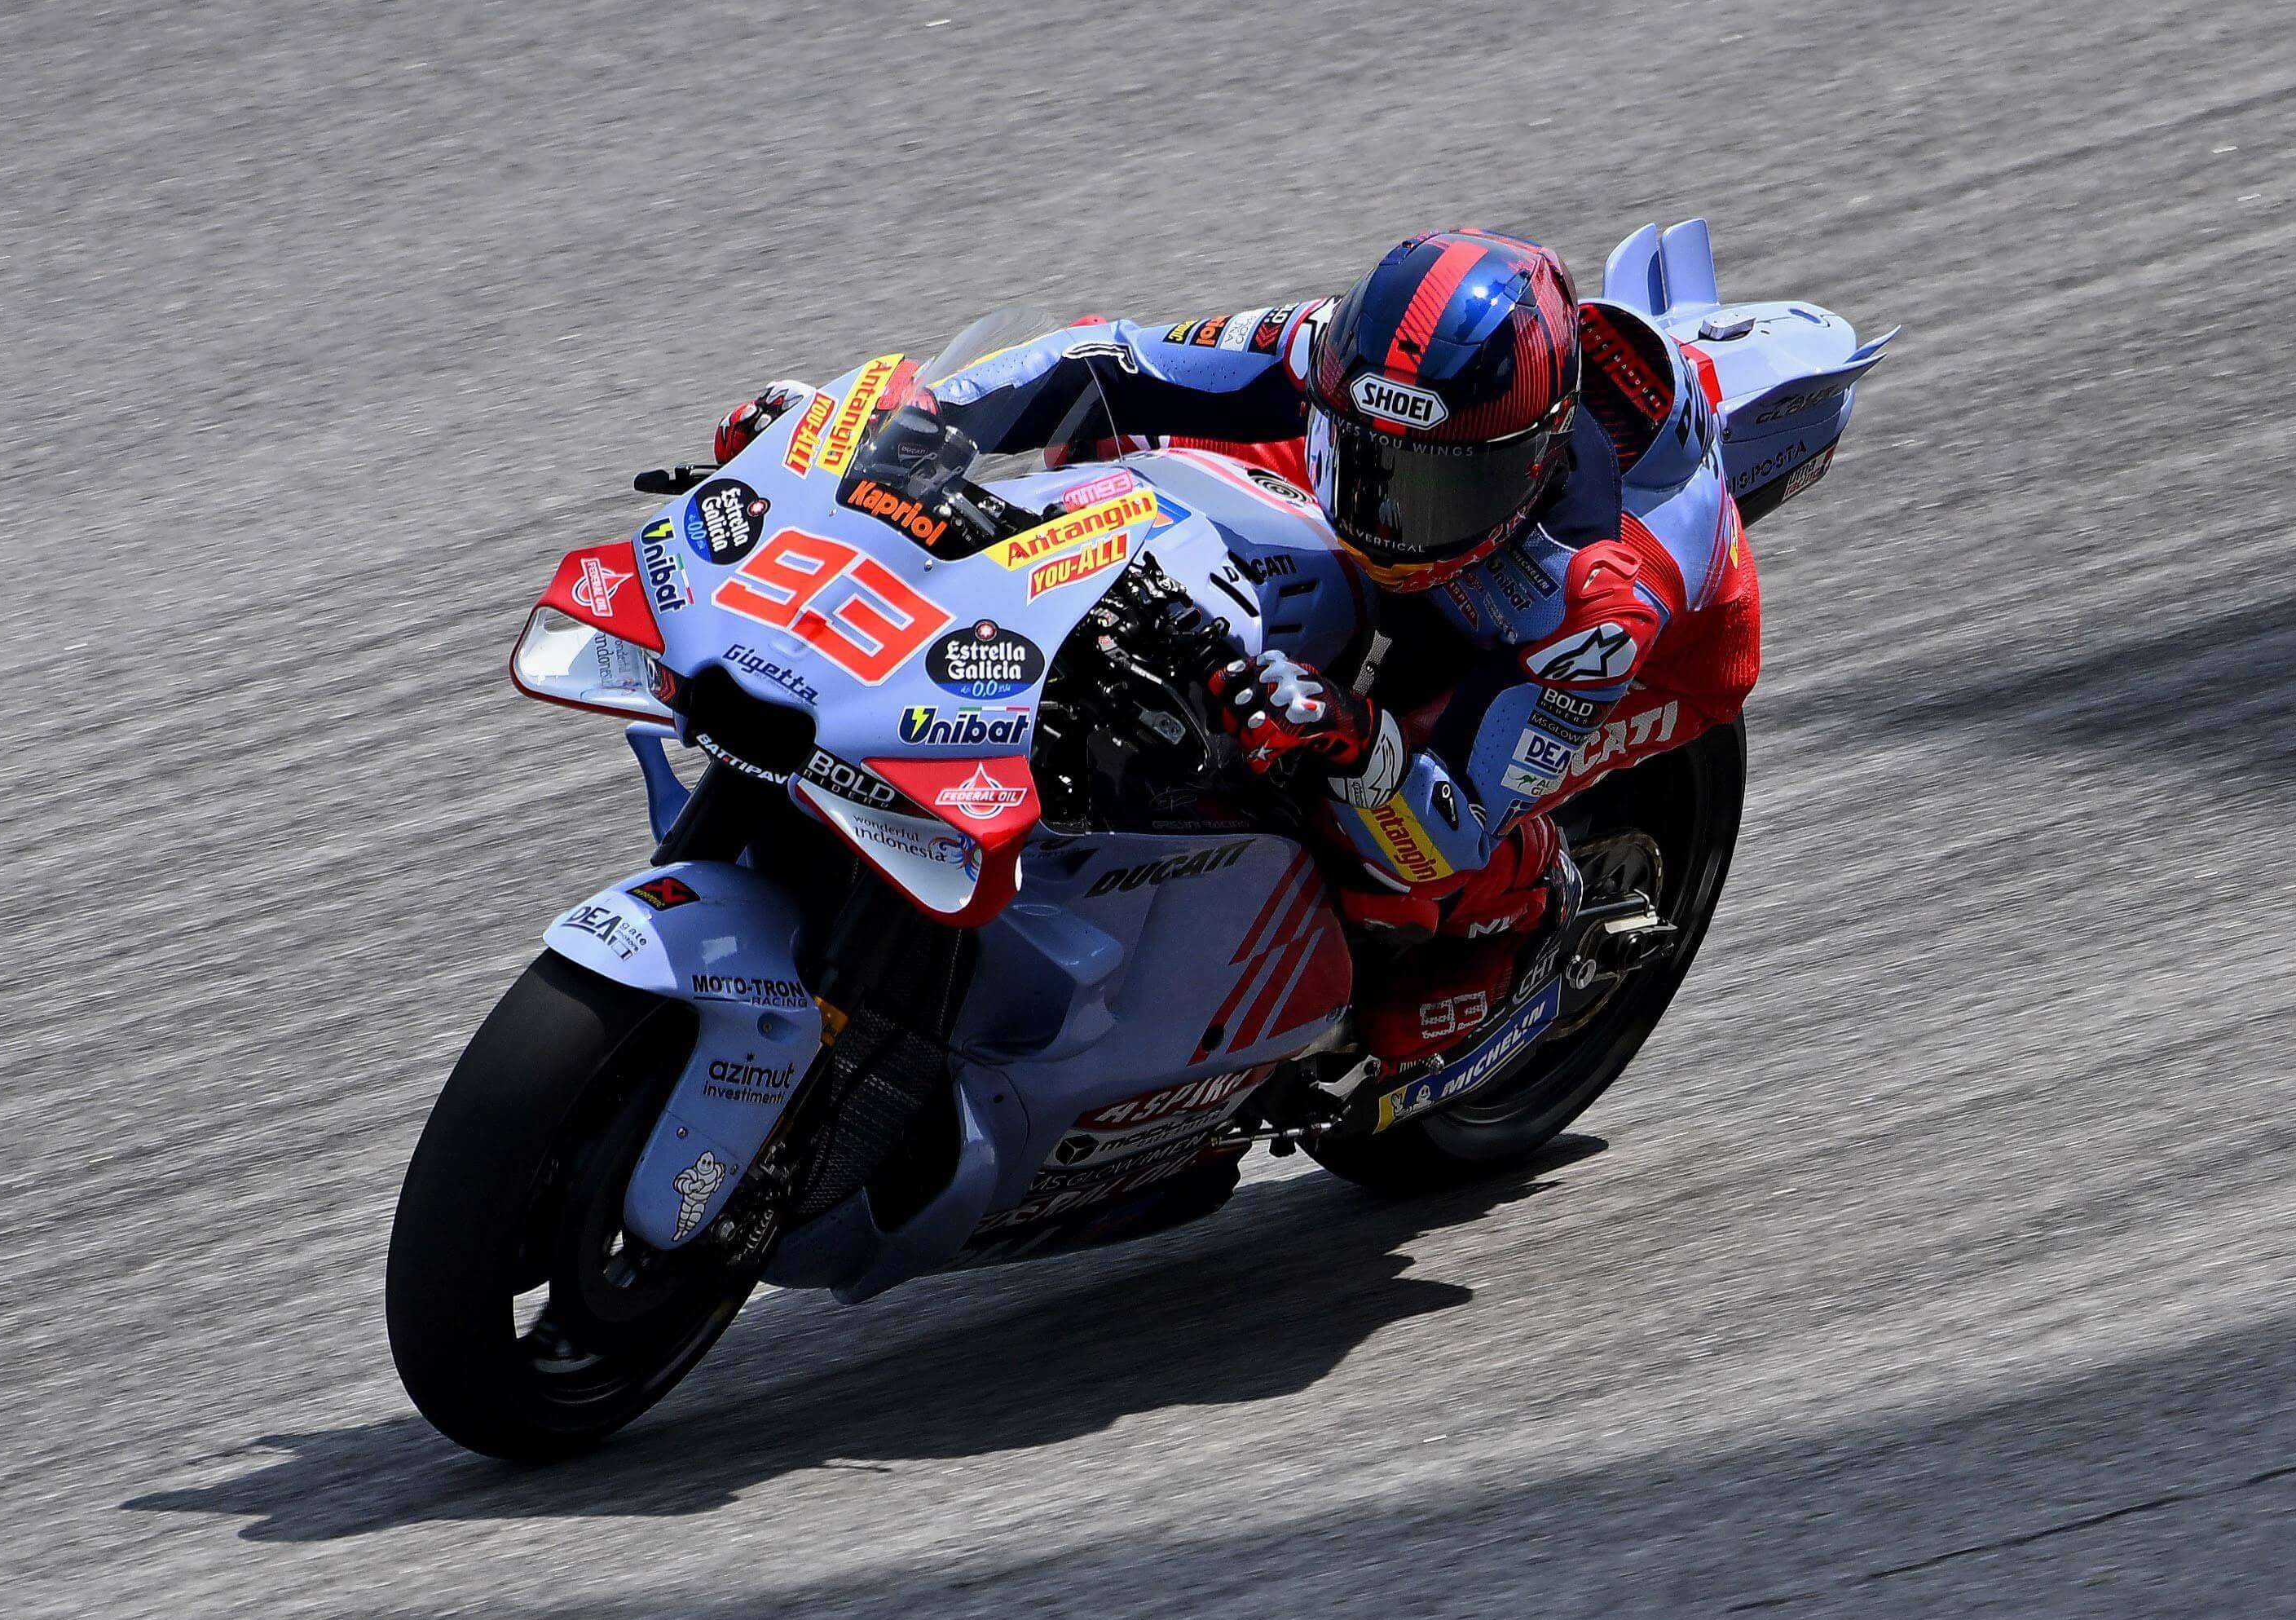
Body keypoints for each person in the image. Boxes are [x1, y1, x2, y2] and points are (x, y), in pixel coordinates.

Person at [712, 231, 1760, 1075]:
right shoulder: (1323, 352)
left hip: (1568, 640)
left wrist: (1353, 739)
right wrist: (900, 428)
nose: (1391, 511)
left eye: (1434, 484)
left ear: (1531, 463)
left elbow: (1451, 819)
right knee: (1101, 452)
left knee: (1388, 861)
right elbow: (1106, 362)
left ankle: (1533, 915)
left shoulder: (1602, 603)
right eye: (1371, 458)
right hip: (1417, 507)